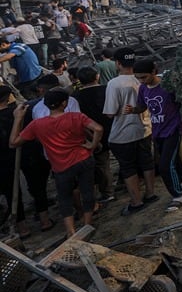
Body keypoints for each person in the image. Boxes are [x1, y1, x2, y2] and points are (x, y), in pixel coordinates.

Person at [10, 88, 103, 237]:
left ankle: (70, 231)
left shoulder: (37, 125)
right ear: (64, 103)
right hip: (83, 158)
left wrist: (17, 118)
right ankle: (87, 225)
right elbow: (98, 128)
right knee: (87, 192)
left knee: (64, 198)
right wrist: (92, 145)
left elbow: (13, 142)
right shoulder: (76, 117)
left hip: (60, 165)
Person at [128, 59, 182, 212]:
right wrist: (134, 110)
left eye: (143, 77)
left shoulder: (168, 86)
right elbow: (143, 106)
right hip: (158, 130)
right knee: (173, 159)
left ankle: (178, 195)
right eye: (138, 78)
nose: (141, 80)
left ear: (153, 72)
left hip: (173, 129)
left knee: (164, 165)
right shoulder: (143, 89)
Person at [103, 47, 157, 216]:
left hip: (123, 133)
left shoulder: (114, 84)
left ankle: (136, 201)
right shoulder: (142, 78)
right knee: (146, 162)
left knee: (128, 168)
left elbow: (110, 112)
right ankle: (150, 193)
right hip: (145, 128)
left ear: (118, 63)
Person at [74, 66, 115, 204]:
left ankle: (107, 192)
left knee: (102, 164)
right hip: (114, 127)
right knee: (124, 157)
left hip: (93, 133)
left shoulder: (76, 97)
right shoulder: (107, 89)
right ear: (97, 76)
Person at [0, 85, 28, 236]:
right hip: (22, 153)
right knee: (26, 188)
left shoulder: (17, 113)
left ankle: (22, 226)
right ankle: (39, 220)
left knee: (11, 193)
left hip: (5, 159)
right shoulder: (18, 112)